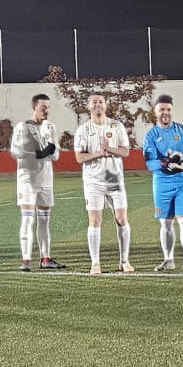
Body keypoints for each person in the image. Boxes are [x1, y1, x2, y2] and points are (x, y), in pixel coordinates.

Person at [74, 93, 135, 274]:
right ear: (88, 106)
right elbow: (79, 157)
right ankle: (95, 263)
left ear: (106, 105)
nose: (98, 104)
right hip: (93, 182)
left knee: (122, 219)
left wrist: (109, 149)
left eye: (101, 102)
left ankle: (124, 261)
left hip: (115, 181)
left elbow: (125, 152)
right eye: (94, 102)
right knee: (95, 221)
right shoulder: (83, 130)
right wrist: (100, 153)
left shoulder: (116, 126)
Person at [143, 94, 183, 271]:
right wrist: (163, 164)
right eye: (161, 110)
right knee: (165, 223)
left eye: (168, 110)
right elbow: (149, 162)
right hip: (162, 184)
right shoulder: (150, 136)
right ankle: (168, 260)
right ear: (155, 112)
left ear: (172, 111)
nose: (165, 113)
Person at [12, 93, 66, 271]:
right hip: (27, 179)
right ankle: (26, 260)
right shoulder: (23, 127)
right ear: (34, 107)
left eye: (48, 107)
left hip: (46, 179)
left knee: (44, 221)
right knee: (28, 219)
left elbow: (56, 155)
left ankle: (45, 258)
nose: (46, 110)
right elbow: (15, 152)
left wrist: (50, 149)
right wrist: (37, 154)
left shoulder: (51, 127)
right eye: (43, 107)